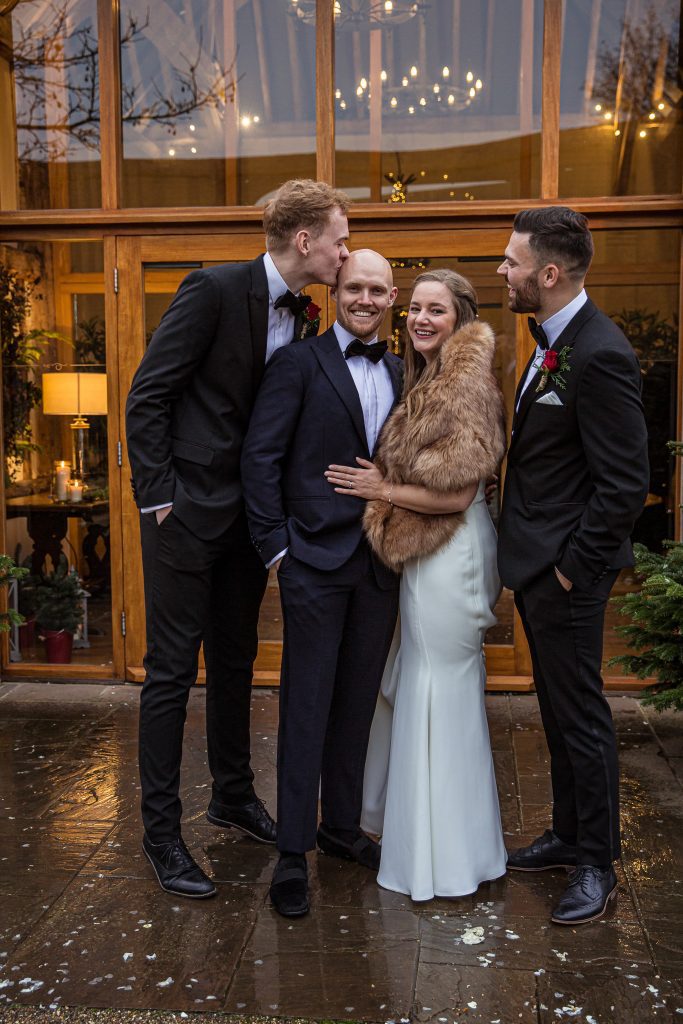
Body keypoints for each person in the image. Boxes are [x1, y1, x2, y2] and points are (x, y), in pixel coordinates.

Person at [125, 179, 351, 899]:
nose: (345, 253)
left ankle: (231, 795)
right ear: (305, 239)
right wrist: (160, 499)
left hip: (249, 525)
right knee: (168, 675)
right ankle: (161, 834)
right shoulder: (213, 289)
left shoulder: (310, 318)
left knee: (235, 661)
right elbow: (148, 394)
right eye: (340, 240)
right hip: (184, 515)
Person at [327, 269, 507, 901]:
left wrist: (380, 490)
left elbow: (457, 491)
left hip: (449, 551)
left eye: (437, 310)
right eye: (418, 310)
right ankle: (448, 849)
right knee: (421, 686)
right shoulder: (427, 377)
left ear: (460, 318)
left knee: (438, 691)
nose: (422, 319)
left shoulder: (464, 383)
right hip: (433, 549)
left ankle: (443, 861)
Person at [497, 206, 649, 925]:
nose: (503, 271)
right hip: (537, 568)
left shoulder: (600, 351)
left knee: (582, 716)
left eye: (511, 261)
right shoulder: (551, 341)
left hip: (566, 573)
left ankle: (597, 862)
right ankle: (565, 833)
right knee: (556, 711)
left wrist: (569, 569)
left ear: (547, 274)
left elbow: (623, 483)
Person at [241, 249, 403, 918]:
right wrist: (277, 550)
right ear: (335, 290)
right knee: (305, 704)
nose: (365, 298)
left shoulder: (402, 369)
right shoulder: (297, 364)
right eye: (354, 286)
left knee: (356, 702)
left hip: (379, 565)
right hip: (310, 560)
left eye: (377, 289)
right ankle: (290, 851)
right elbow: (261, 458)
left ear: (392, 296)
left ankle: (340, 828)